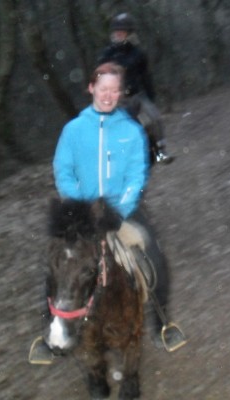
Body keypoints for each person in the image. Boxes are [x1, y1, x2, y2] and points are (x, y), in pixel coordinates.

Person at [29, 63, 183, 364]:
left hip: (122, 210)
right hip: (81, 213)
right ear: (91, 89)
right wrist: (79, 208)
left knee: (154, 254)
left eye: (114, 90)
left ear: (121, 92)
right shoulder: (73, 129)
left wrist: (118, 210)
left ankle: (162, 323)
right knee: (59, 265)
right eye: (103, 89)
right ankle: (50, 331)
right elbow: (63, 169)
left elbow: (137, 176)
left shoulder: (132, 131)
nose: (109, 95)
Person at [97, 12, 173, 165]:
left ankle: (161, 151)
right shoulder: (106, 54)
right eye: (116, 31)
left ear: (129, 34)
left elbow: (145, 76)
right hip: (116, 99)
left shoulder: (138, 53)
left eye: (122, 31)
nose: (118, 34)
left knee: (155, 118)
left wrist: (151, 98)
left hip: (135, 95)